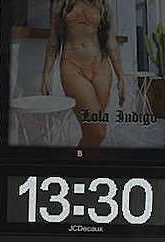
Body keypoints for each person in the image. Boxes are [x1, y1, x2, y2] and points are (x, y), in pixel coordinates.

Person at [41, 0, 125, 148]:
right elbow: (53, 41)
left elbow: (111, 41)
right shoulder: (60, 3)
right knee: (98, 132)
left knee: (91, 131)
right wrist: (46, 74)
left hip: (101, 68)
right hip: (73, 67)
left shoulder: (103, 3)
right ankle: (80, 165)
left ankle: (81, 167)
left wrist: (121, 76)